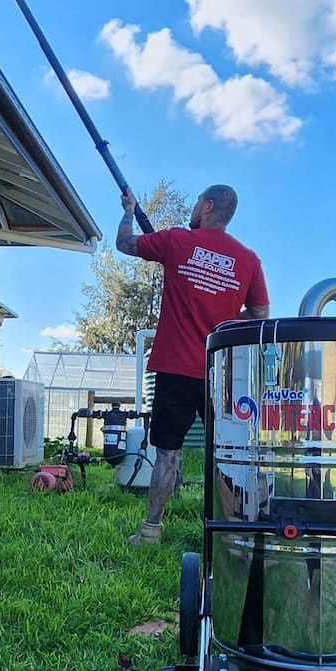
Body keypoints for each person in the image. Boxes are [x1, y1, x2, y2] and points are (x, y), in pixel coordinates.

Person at [116, 185, 269, 544]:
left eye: (198, 202)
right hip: (220, 374)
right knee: (228, 454)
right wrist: (224, 323)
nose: (194, 207)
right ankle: (233, 531)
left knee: (167, 453)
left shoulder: (177, 241)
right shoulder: (248, 259)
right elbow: (260, 313)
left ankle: (151, 530)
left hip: (176, 370)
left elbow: (125, 243)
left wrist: (129, 210)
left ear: (208, 206)